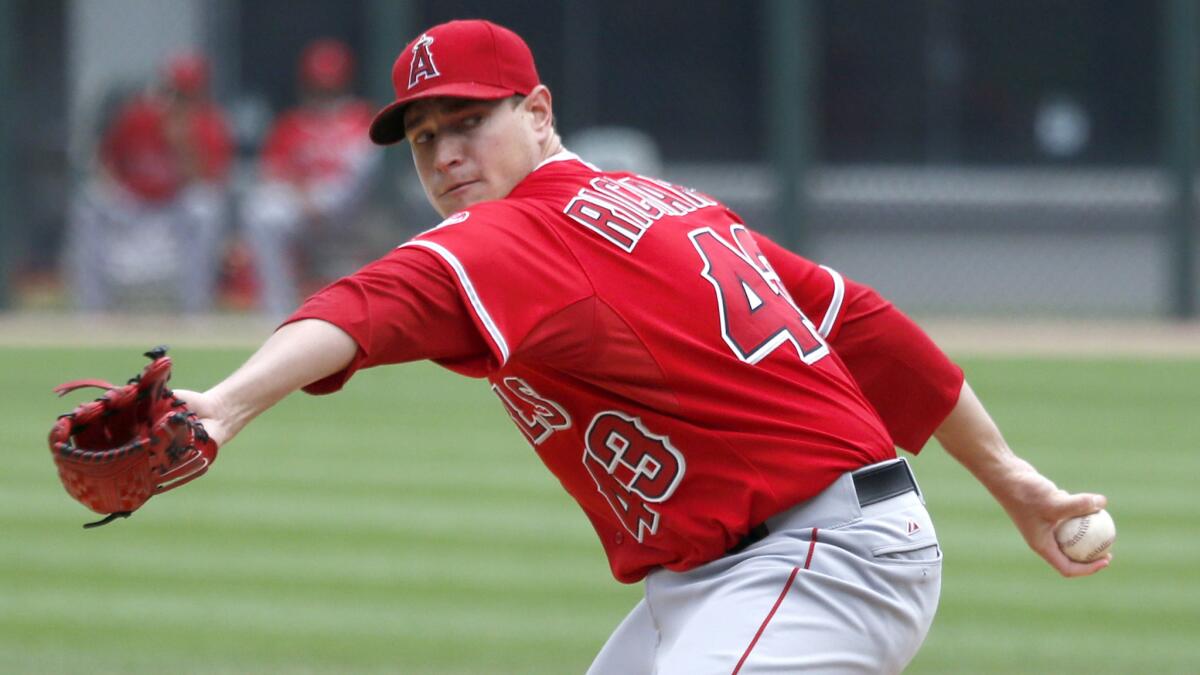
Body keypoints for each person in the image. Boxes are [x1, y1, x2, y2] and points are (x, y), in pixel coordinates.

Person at [175, 20, 1110, 674]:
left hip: (814, 558)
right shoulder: (665, 200)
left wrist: (224, 403)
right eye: (423, 138)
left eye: (470, 122)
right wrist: (1007, 472)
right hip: (753, 566)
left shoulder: (518, 231)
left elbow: (366, 301)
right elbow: (857, 320)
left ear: (538, 111)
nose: (447, 153)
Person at [66, 52, 233, 313]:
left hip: (174, 212)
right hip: (135, 208)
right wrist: (117, 196)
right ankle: (92, 312)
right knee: (89, 203)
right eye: (175, 91)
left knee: (205, 208)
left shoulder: (208, 124)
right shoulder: (138, 117)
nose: (178, 100)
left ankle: (196, 310)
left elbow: (209, 183)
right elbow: (107, 164)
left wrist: (183, 144)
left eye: (186, 94)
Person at [240, 38, 381, 318]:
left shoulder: (361, 117)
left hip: (348, 207)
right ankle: (276, 312)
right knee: (261, 210)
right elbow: (270, 172)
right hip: (301, 205)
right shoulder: (292, 123)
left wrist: (322, 200)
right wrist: (302, 195)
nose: (324, 93)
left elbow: (365, 176)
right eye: (319, 86)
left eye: (330, 86)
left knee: (359, 165)